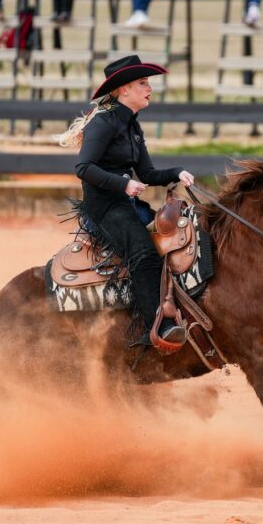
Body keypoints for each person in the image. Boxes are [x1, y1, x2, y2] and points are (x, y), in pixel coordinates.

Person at [58, 55, 195, 353]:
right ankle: (156, 328)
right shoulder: (104, 123)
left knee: (171, 241)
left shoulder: (131, 125)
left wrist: (176, 173)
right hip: (104, 208)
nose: (150, 88)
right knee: (144, 253)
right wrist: (123, 183)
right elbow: (83, 168)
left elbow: (146, 173)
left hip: (126, 205)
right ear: (123, 90)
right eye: (143, 83)